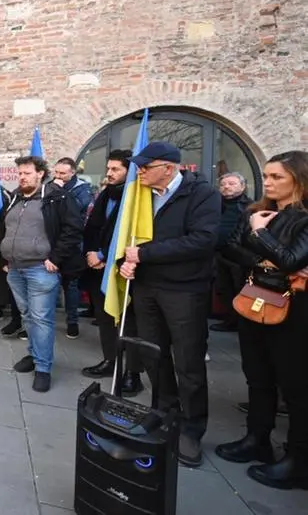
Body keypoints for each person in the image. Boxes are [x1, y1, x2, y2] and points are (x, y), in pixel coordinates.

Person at [118, 141, 222, 467]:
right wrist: (125, 260)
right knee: (153, 353)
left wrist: (145, 255)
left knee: (188, 361)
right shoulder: (140, 195)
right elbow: (129, 237)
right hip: (147, 287)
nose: (140, 172)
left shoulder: (202, 194)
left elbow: (203, 240)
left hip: (184, 289)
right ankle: (163, 412)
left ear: (168, 167)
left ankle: (191, 428)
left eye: (145, 167)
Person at [216, 150, 308, 490]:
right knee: (257, 375)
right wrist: (264, 257)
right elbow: (230, 246)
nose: (267, 182)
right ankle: (257, 439)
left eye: (276, 177)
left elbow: (291, 257)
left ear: (298, 179)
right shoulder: (258, 211)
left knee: (295, 385)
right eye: (266, 176)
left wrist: (260, 234)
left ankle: (299, 460)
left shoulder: (301, 217)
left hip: (294, 310)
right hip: (255, 298)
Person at [0, 156, 84, 393]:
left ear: (40, 174)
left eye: (27, 173)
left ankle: (43, 369)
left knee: (41, 318)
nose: (22, 177)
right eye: (20, 173)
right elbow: (0, 229)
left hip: (40, 269)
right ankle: (34, 356)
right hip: (14, 268)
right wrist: (0, 258)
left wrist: (56, 258)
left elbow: (73, 229)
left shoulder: (57, 197)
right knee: (27, 315)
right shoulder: (13, 199)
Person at [79, 150, 144, 395]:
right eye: (108, 168)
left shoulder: (137, 198)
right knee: (105, 317)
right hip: (97, 266)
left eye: (116, 169)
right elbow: (92, 229)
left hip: (124, 269)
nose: (109, 173)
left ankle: (133, 372)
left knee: (130, 322)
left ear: (130, 171)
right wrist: (91, 254)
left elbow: (130, 234)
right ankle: (110, 359)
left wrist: (106, 256)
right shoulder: (105, 195)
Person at [52, 157, 94, 338]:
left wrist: (59, 191)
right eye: (57, 172)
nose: (59, 176)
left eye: (63, 173)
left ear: (72, 172)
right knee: (49, 284)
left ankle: (72, 322)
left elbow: (74, 209)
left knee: (71, 285)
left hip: (73, 244)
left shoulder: (82, 189)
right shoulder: (51, 186)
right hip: (53, 242)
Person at [210, 172, 252, 332]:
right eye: (223, 184)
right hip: (216, 253)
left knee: (239, 288)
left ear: (242, 186)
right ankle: (229, 319)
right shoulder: (213, 203)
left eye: (232, 183)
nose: (226, 186)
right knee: (223, 289)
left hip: (237, 256)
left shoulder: (250, 206)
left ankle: (241, 322)